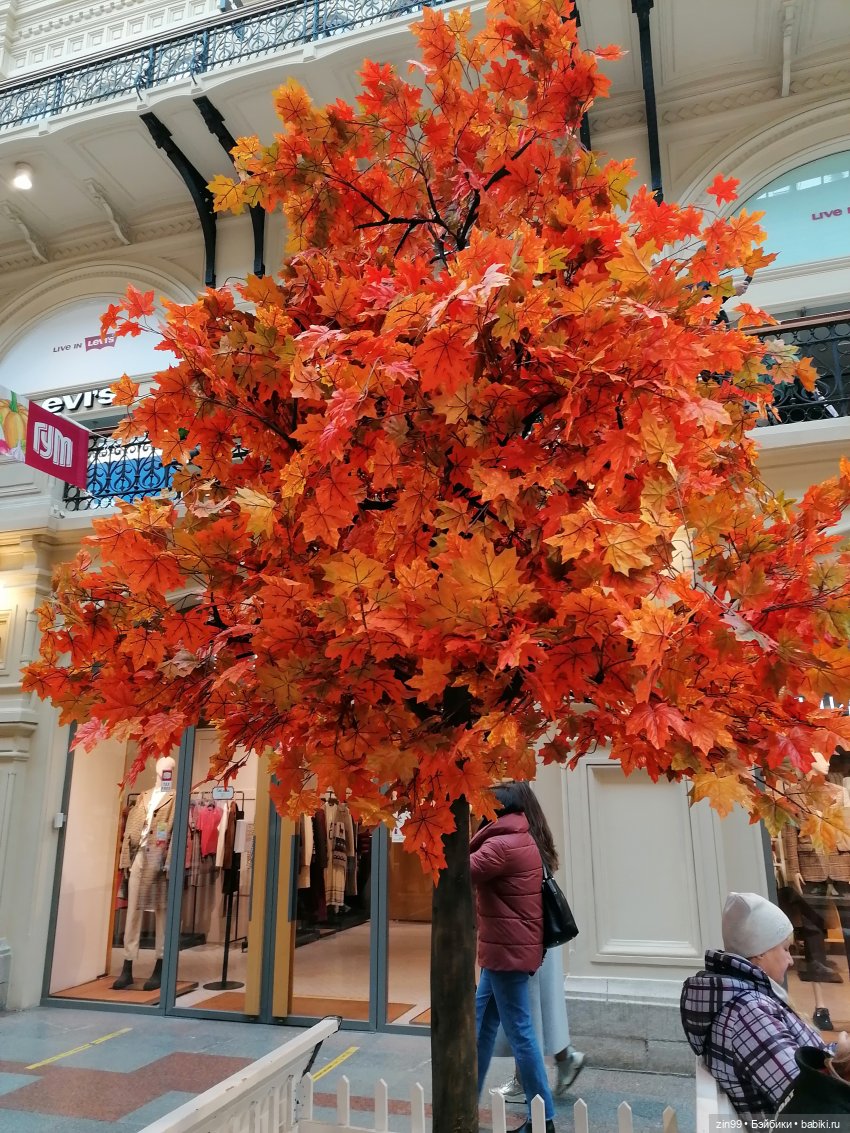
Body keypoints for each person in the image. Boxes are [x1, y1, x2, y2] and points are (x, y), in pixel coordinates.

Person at [680, 890, 847, 1119]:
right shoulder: (748, 1013)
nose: (790, 960)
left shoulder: (745, 1000)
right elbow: (807, 1101)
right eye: (785, 949)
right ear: (759, 952)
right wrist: (842, 1063)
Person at [472, 781, 556, 1133]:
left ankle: (544, 1118)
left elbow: (459, 871)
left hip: (506, 951)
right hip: (504, 948)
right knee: (481, 1025)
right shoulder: (522, 837)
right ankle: (465, 1096)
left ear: (497, 812)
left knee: (520, 1031)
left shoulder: (501, 845)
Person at [495, 781, 585, 1102]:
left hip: (527, 939)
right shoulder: (537, 836)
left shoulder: (516, 842)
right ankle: (562, 1061)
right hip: (543, 935)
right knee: (540, 1007)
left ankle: (530, 1080)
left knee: (526, 1010)